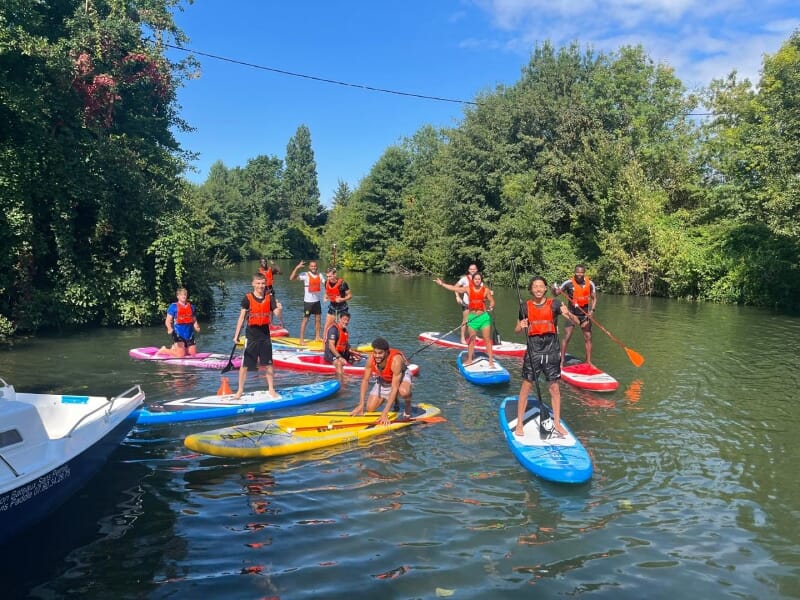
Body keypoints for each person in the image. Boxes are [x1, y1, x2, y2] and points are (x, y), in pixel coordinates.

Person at [514, 276, 580, 438]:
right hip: (533, 351)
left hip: (551, 351)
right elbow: (516, 329)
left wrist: (569, 313)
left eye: (541, 286)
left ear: (545, 289)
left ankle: (556, 423)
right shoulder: (524, 307)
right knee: (526, 386)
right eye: (535, 286)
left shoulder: (555, 304)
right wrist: (520, 326)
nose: (538, 289)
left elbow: (577, 321)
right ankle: (519, 423)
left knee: (554, 388)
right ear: (531, 289)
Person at [434, 272, 496, 367]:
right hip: (472, 319)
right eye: (475, 279)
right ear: (472, 280)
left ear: (481, 280)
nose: (477, 281)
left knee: (487, 339)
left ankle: (491, 361)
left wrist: (491, 306)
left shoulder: (485, 290)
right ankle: (470, 359)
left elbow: (492, 301)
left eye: (479, 279)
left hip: (484, 318)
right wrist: (442, 284)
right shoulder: (468, 289)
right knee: (471, 340)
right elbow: (454, 288)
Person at [232, 272, 278, 399]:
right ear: (253, 284)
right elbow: (241, 318)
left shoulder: (270, 298)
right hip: (251, 336)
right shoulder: (247, 299)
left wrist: (279, 309)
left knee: (268, 364)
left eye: (263, 283)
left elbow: (277, 313)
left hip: (265, 336)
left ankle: (271, 389)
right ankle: (240, 390)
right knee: (245, 365)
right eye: (258, 283)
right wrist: (236, 336)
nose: (261, 286)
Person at [350, 337, 413, 426]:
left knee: (404, 392)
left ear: (386, 352)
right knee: (370, 408)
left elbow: (394, 387)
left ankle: (408, 404)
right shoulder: (371, 359)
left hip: (401, 376)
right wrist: (361, 404)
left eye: (380, 353)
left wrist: (385, 413)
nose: (377, 356)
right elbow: (365, 380)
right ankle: (394, 400)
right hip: (384, 378)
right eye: (375, 353)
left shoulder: (396, 361)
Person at [557, 264, 597, 367]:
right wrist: (554, 289)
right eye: (577, 272)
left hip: (584, 315)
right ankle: (562, 361)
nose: (579, 274)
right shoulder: (568, 283)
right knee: (567, 336)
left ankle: (588, 361)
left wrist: (592, 311)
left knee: (588, 337)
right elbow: (556, 293)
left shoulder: (590, 283)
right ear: (574, 272)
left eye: (581, 272)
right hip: (571, 314)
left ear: (584, 273)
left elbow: (594, 298)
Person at [289, 259, 325, 346]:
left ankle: (317, 336)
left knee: (318, 319)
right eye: (312, 266)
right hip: (308, 302)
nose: (314, 267)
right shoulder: (305, 275)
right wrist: (297, 267)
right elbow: (291, 278)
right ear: (309, 267)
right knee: (305, 320)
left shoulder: (320, 275)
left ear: (317, 267)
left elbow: (326, 284)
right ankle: (301, 339)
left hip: (317, 301)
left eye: (315, 266)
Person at [157, 287, 201, 357]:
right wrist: (169, 328)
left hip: (189, 333)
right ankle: (164, 350)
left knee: (192, 354)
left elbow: (194, 320)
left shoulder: (191, 307)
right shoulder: (173, 307)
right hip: (178, 333)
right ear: (178, 296)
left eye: (185, 295)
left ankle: (175, 348)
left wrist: (196, 326)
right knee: (180, 355)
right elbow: (168, 321)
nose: (183, 296)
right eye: (181, 295)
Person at [323, 311, 361, 380]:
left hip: (339, 353)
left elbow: (345, 345)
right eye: (344, 319)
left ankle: (351, 372)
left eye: (347, 320)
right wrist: (339, 357)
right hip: (331, 354)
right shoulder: (333, 329)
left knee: (357, 358)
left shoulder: (344, 331)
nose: (346, 322)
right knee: (339, 363)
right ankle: (341, 381)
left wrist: (353, 353)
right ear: (340, 319)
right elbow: (331, 346)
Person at [322, 267, 352, 340]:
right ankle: (324, 343)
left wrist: (342, 299)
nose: (328, 278)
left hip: (343, 308)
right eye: (327, 276)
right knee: (327, 326)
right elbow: (326, 292)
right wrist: (325, 297)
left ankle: (343, 342)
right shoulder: (326, 282)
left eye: (330, 276)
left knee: (342, 326)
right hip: (332, 307)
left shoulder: (343, 283)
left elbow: (350, 296)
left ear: (335, 274)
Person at [456, 264, 479, 344]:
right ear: (469, 270)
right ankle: (462, 338)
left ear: (476, 270)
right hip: (466, 303)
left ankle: (473, 336)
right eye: (471, 269)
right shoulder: (464, 279)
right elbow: (456, 287)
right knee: (465, 321)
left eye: (474, 269)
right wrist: (457, 297)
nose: (473, 270)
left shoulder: (479, 279)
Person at [258, 258, 284, 326]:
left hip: (270, 290)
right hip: (262, 291)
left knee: (271, 307)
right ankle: (263, 321)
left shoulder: (270, 269)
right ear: (260, 263)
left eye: (265, 262)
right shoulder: (259, 271)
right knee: (263, 306)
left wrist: (274, 264)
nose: (264, 263)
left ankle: (271, 323)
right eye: (262, 262)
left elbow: (280, 272)